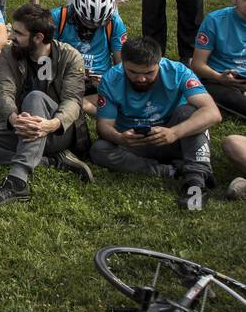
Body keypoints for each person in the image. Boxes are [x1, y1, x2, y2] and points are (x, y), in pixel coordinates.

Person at [0, 3, 94, 207]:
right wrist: (13, 118)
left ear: (38, 37)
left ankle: (17, 182)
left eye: (18, 33)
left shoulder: (70, 56)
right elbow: (4, 92)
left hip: (58, 132)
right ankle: (52, 160)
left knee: (35, 97)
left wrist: (52, 124)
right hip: (21, 126)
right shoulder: (9, 54)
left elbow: (73, 102)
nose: (11, 36)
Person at [90, 36, 220, 209]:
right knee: (100, 149)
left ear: (159, 63)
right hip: (137, 143)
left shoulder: (178, 71)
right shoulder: (111, 79)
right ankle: (170, 170)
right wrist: (120, 138)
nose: (141, 78)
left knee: (189, 113)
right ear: (123, 64)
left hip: (175, 137)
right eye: (133, 72)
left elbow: (212, 112)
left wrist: (174, 132)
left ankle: (196, 181)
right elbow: (104, 125)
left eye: (149, 73)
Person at [50, 0, 128, 116]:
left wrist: (108, 82)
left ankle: (81, 104)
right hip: (64, 78)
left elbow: (121, 65)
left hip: (99, 84)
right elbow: (44, 57)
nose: (93, 27)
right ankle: (84, 105)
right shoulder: (58, 17)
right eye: (86, 22)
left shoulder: (115, 22)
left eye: (100, 23)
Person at [190, 0, 246, 119]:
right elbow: (197, 64)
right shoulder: (215, 20)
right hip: (219, 79)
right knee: (232, 99)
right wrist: (220, 77)